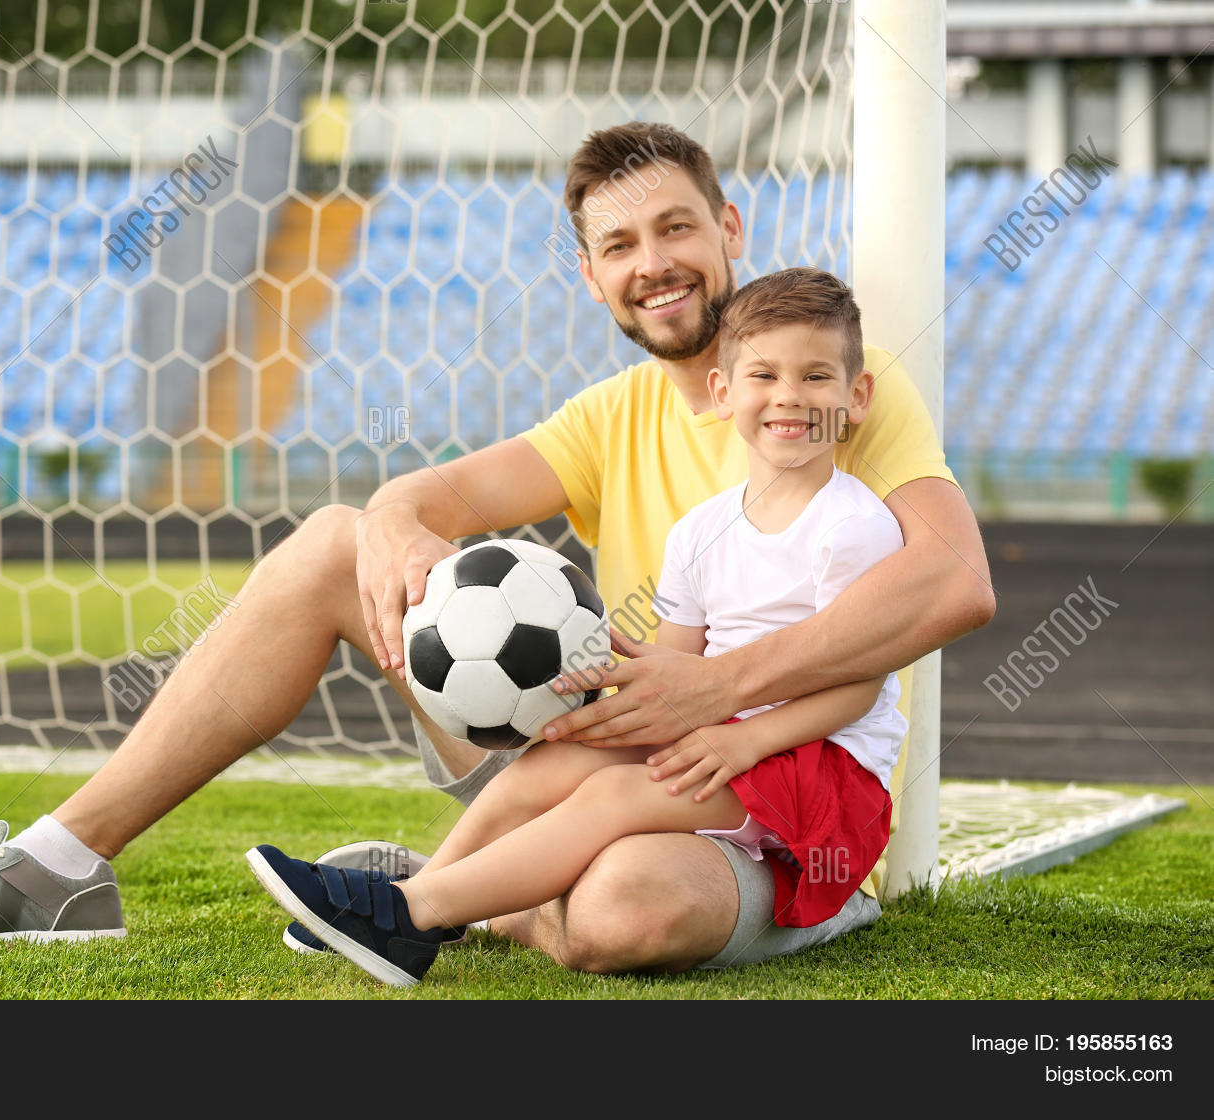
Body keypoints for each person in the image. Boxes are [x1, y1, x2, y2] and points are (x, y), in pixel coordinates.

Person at [0, 122, 993, 974]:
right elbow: (430, 494)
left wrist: (719, 690)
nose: (655, 261)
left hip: (778, 791)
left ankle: (443, 892)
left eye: (677, 227)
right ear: (590, 273)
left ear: (729, 229)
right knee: (332, 540)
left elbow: (953, 581)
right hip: (607, 750)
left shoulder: (827, 392)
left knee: (619, 915)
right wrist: (397, 514)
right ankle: (58, 865)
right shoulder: (609, 418)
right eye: (620, 243)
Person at [245, 268, 909, 985]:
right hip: (723, 744)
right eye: (764, 375)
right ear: (723, 392)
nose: (789, 396)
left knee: (612, 796)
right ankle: (432, 896)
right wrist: (599, 703)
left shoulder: (852, 527)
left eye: (816, 376)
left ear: (856, 397)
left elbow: (860, 686)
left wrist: (744, 739)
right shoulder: (699, 531)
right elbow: (672, 676)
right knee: (550, 766)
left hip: (821, 771)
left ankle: (408, 912)